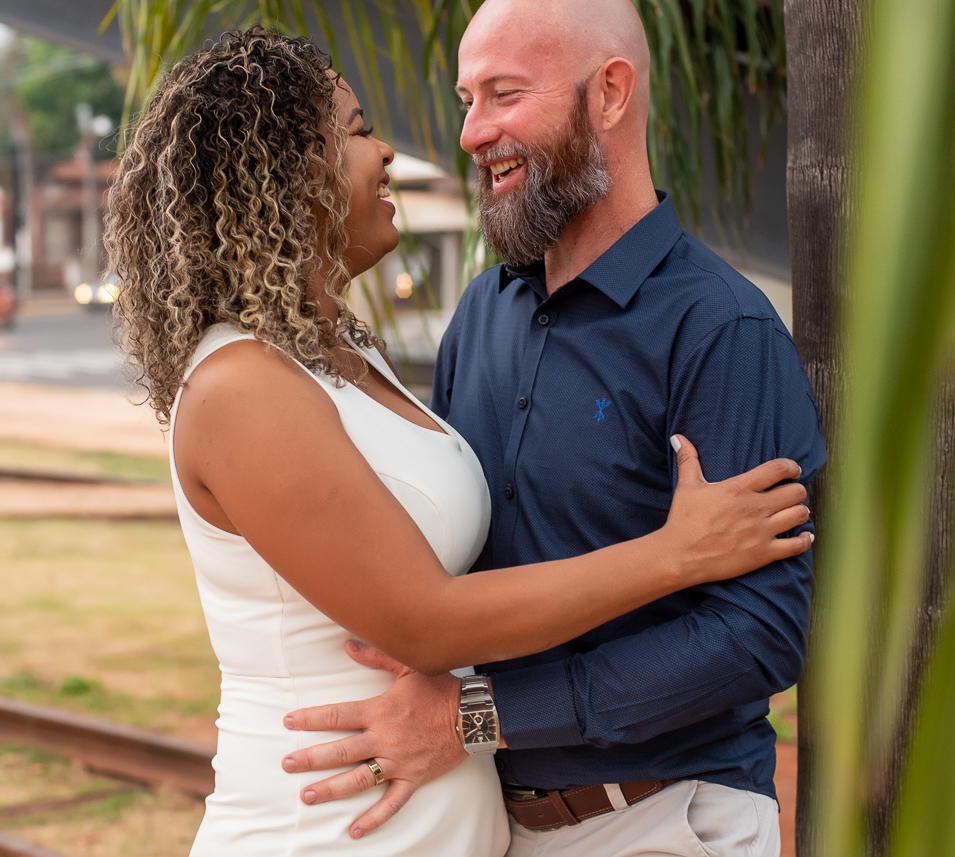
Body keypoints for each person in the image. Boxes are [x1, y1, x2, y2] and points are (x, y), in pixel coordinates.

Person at [104, 25, 813, 857]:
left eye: (505, 95)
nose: (467, 134)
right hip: (351, 822)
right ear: (280, 175)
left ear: (611, 93)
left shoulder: (718, 327)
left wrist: (481, 716)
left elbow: (760, 631)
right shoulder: (472, 318)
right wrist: (674, 553)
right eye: (465, 103)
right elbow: (428, 617)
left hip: (655, 820)